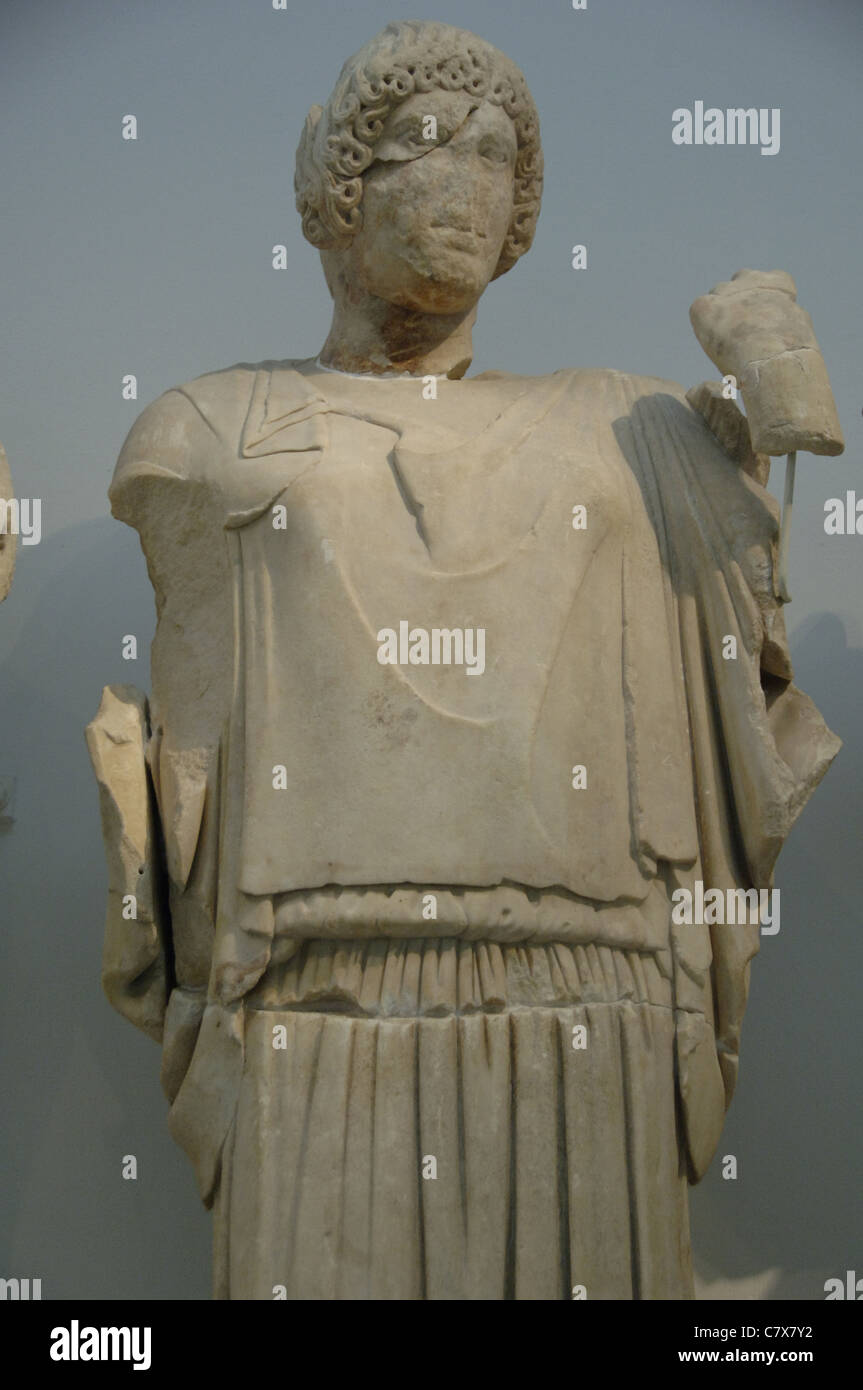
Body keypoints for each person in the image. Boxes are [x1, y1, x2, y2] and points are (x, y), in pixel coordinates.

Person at [88, 20, 840, 1300]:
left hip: (591, 983)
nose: (468, 182)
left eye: (499, 156)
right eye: (426, 143)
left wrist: (770, 383)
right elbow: (190, 767)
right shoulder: (214, 427)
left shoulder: (628, 422)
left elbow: (738, 665)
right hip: (319, 987)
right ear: (336, 185)